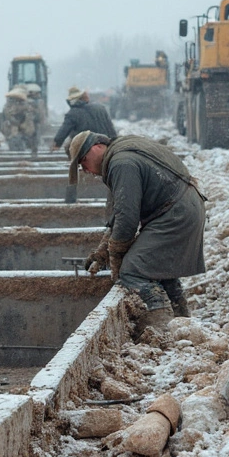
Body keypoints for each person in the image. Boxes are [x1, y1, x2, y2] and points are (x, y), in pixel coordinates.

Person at [70, 129, 206, 337]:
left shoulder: (121, 163)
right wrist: (102, 252)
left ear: (97, 147)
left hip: (175, 213)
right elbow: (119, 213)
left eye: (83, 161)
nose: (85, 169)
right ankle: (181, 320)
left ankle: (159, 325)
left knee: (133, 269)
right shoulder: (120, 153)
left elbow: (127, 218)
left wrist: (116, 255)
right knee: (155, 266)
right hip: (182, 206)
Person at [53, 86, 116, 151]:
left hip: (85, 146)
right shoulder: (100, 108)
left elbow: (64, 130)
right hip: (105, 143)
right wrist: (114, 141)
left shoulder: (72, 113)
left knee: (68, 147)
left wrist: (57, 143)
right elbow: (110, 127)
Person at [0, 86, 38, 154]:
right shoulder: (26, 104)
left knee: (18, 137)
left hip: (18, 124)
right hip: (17, 125)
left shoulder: (11, 104)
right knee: (17, 138)